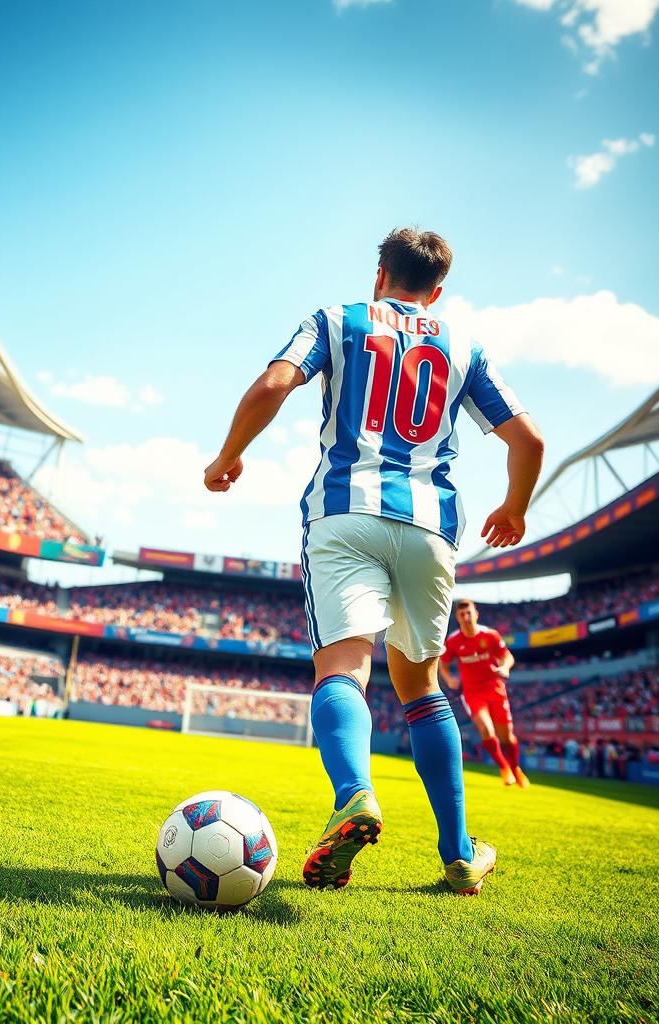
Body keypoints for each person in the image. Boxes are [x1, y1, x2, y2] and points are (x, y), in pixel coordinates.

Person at [204, 227, 544, 895]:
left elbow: (275, 384)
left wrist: (229, 454)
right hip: (430, 527)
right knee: (421, 687)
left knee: (343, 668)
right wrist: (514, 508)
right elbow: (528, 438)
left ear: (379, 275)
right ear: (437, 290)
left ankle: (355, 794)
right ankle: (458, 853)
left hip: (344, 511)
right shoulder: (465, 345)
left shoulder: (336, 319)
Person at [439, 598, 530, 788]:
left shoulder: (490, 636)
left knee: (507, 737)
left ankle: (515, 769)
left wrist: (505, 668)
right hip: (473, 693)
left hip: (495, 689)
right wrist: (448, 679)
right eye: (462, 614)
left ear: (476, 614)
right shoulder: (454, 641)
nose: (466, 617)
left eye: (469, 613)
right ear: (457, 617)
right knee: (486, 729)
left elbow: (507, 656)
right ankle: (504, 768)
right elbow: (443, 663)